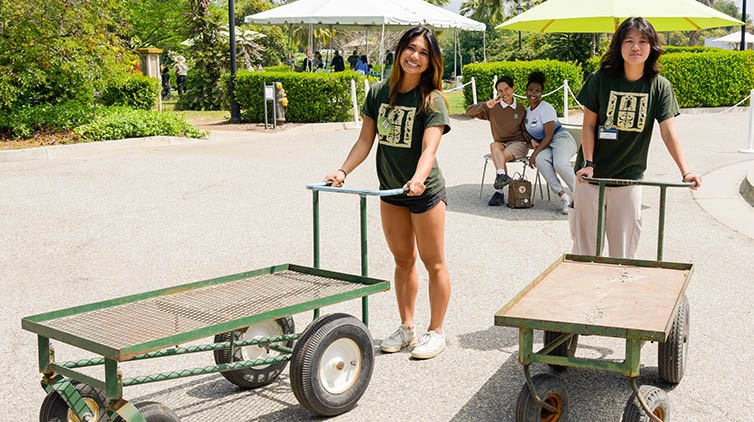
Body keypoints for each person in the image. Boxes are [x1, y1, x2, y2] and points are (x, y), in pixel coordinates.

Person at [323, 26, 452, 360]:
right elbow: (366, 140)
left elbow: (429, 148)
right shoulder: (380, 92)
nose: (415, 57)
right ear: (400, 52)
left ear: (431, 61)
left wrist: (419, 178)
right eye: (411, 49)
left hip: (424, 192)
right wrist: (342, 171)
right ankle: (407, 327)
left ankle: (436, 331)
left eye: (424, 53)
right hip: (391, 189)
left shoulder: (432, 99)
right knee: (402, 260)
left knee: (433, 262)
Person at [573, 17, 702, 259]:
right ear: (619, 45)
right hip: (589, 179)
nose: (635, 47)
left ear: (652, 47)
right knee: (585, 252)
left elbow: (668, 131)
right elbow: (589, 126)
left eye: (643, 41)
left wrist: (686, 172)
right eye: (629, 40)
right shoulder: (599, 79)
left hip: (628, 180)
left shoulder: (659, 86)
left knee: (623, 254)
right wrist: (588, 164)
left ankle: (617, 296)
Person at [465, 76, 530, 206]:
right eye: (500, 91)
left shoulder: (521, 108)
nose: (504, 93)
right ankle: (501, 175)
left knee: (499, 157)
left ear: (513, 88)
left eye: (506, 89)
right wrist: (485, 105)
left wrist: (533, 143)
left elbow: (525, 130)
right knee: (494, 145)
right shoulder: (493, 107)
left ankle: (499, 192)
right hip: (501, 143)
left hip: (519, 143)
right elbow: (469, 112)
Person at [524, 71, 577, 215]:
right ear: (526, 91)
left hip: (560, 138)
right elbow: (525, 131)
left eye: (537, 91)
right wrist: (531, 141)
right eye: (530, 90)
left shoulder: (546, 108)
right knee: (541, 160)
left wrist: (534, 153)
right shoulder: (527, 111)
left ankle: (582, 195)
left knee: (559, 164)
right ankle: (563, 196)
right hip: (546, 144)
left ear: (542, 93)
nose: (533, 93)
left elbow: (549, 135)